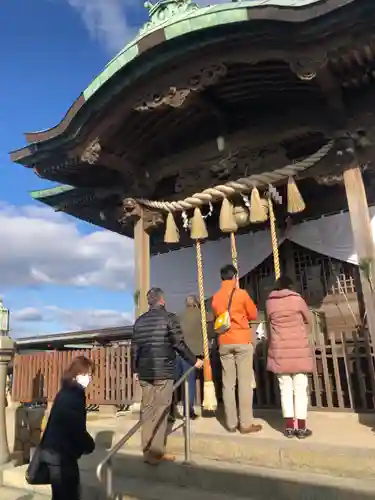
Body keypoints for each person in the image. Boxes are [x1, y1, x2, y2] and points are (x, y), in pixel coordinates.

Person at [132, 287, 203, 466]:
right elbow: (178, 343)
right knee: (162, 409)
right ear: (162, 300)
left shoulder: (139, 322)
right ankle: (156, 452)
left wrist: (135, 369)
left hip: (145, 372)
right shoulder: (169, 318)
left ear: (150, 302)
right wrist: (194, 360)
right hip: (163, 370)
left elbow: (134, 348)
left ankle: (146, 450)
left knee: (147, 409)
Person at [212, 264, 262, 434]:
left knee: (228, 383)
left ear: (221, 278)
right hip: (241, 339)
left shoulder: (216, 297)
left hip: (224, 341)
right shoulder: (241, 294)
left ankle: (231, 423)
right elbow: (253, 314)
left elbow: (216, 316)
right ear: (235, 277)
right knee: (244, 383)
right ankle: (245, 423)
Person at [41, 356, 95, 500]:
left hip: (54, 451)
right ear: (76, 374)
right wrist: (88, 444)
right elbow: (75, 426)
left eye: (90, 375)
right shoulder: (74, 395)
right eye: (85, 374)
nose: (89, 378)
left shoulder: (64, 392)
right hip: (62, 455)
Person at [266, 275, 313, 439]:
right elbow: (309, 319)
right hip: (298, 349)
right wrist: (304, 334)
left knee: (284, 389)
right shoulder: (297, 300)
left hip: (280, 350)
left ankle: (288, 428)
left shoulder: (270, 302)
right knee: (300, 389)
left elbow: (268, 324)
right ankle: (301, 427)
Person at [177, 294, 204, 419]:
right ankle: (188, 411)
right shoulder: (200, 314)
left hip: (180, 352)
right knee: (191, 382)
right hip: (194, 353)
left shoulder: (179, 315)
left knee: (181, 381)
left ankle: (175, 410)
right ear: (195, 303)